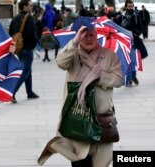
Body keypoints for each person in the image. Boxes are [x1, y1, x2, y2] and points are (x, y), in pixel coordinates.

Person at [37, 25, 123, 167]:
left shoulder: (109, 55)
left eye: (92, 35)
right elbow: (60, 62)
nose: (89, 38)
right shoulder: (73, 54)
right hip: (77, 117)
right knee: (78, 161)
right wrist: (75, 41)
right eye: (85, 35)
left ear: (97, 35)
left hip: (101, 119)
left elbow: (118, 80)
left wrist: (99, 75)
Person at [9, 0, 39, 103]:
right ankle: (12, 93)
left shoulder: (15, 18)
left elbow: (10, 32)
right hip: (27, 48)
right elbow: (32, 33)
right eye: (30, 6)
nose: (31, 7)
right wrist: (35, 42)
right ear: (25, 7)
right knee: (25, 71)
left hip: (19, 48)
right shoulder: (29, 18)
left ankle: (29, 92)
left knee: (27, 70)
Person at [116, 0, 145, 87]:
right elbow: (117, 28)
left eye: (132, 6)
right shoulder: (121, 16)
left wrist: (137, 33)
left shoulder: (136, 16)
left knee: (133, 60)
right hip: (124, 41)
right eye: (129, 6)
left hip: (134, 41)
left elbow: (141, 27)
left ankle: (133, 76)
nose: (131, 8)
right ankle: (129, 79)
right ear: (126, 7)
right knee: (126, 60)